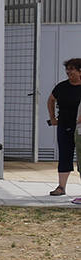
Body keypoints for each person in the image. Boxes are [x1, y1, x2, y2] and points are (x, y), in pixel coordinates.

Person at [47, 58, 81, 196]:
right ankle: (61, 187)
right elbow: (50, 100)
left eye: (72, 69)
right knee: (64, 156)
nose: (68, 72)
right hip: (64, 126)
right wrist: (53, 118)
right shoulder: (61, 87)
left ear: (80, 71)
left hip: (80, 129)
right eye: (67, 69)